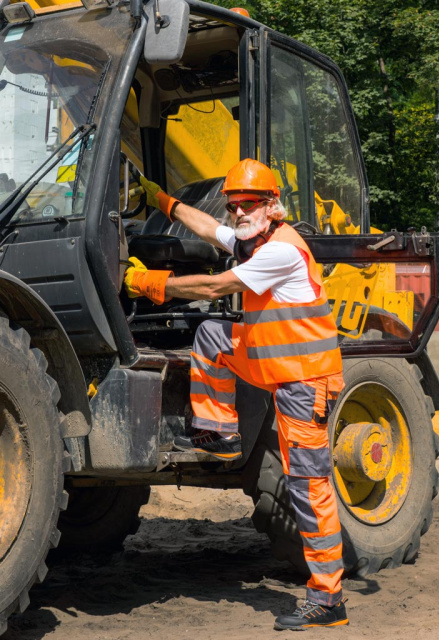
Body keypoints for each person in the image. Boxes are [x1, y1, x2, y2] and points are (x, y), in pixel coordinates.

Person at [124, 158, 348, 630]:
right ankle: (220, 432)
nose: (239, 213)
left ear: (272, 206)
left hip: (304, 385)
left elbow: (214, 283)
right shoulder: (253, 239)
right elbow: (208, 229)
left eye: (250, 204)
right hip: (273, 364)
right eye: (234, 205)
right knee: (211, 336)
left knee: (308, 489)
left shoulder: (280, 251)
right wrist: (163, 200)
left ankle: (328, 598)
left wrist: (148, 283)